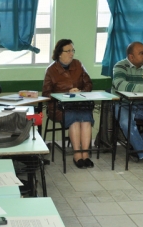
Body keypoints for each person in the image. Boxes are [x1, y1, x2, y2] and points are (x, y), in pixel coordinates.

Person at [42, 39, 94, 168]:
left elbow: (89, 84)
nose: (72, 54)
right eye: (68, 51)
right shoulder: (51, 70)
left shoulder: (78, 65)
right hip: (60, 107)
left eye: (72, 50)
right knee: (74, 121)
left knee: (86, 120)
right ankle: (77, 155)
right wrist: (66, 93)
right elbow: (46, 94)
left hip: (79, 103)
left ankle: (85, 155)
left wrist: (80, 91)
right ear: (60, 53)